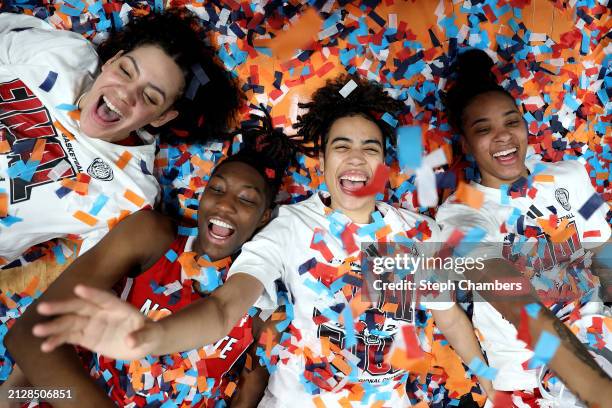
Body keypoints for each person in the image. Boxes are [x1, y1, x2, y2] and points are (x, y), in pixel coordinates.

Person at [26, 74, 492, 407]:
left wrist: (490, 381)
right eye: (341, 146)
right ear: (324, 162)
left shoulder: (417, 232)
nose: (356, 160)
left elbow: (449, 317)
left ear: (385, 163)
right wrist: (153, 336)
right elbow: (225, 306)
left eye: (369, 148)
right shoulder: (291, 226)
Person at [4, 111, 297, 407]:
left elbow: (250, 387)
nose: (225, 204)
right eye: (217, 189)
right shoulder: (153, 235)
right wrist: (15, 393)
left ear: (264, 218)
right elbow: (28, 337)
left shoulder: (266, 303)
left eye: (247, 199)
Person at [429, 49, 612, 407]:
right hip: (527, 379)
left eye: (511, 122)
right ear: (465, 144)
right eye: (484, 129)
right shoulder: (459, 216)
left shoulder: (571, 176)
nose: (503, 137)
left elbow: (602, 242)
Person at [0, 9, 243, 267]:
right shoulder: (65, 55)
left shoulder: (131, 192)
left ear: (161, 117)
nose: (126, 94)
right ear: (112, 61)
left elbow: (86, 278)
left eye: (150, 97)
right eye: (126, 71)